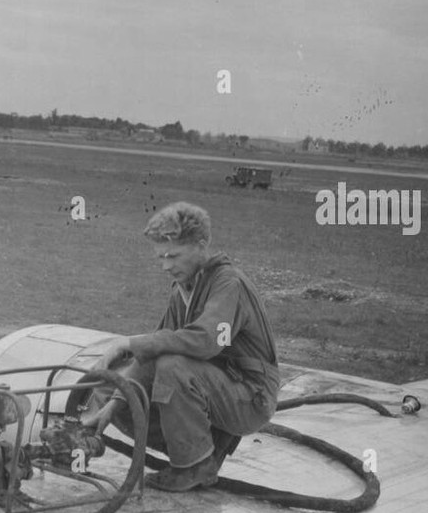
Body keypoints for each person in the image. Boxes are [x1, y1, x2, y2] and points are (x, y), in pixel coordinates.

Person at [81, 202, 279, 492]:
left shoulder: (229, 284)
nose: (165, 266)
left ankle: (195, 466)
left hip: (251, 395)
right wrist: (113, 404)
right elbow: (155, 350)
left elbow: (207, 340)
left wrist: (130, 342)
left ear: (200, 246)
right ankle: (203, 450)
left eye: (173, 255)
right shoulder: (182, 289)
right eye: (160, 257)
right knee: (118, 379)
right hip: (219, 386)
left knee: (172, 367)